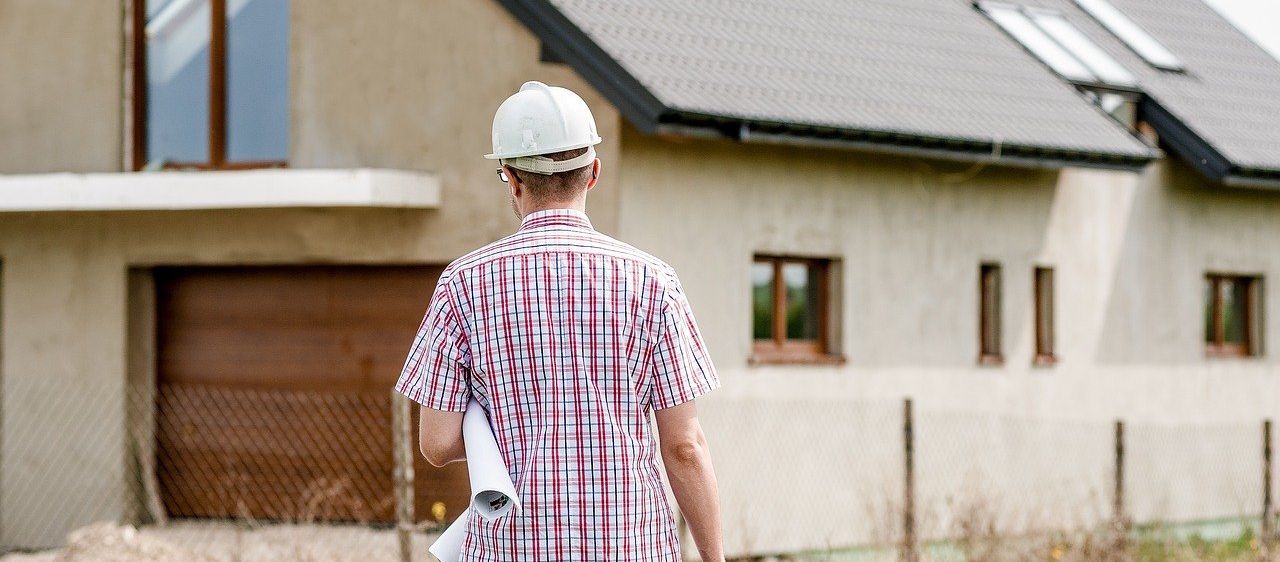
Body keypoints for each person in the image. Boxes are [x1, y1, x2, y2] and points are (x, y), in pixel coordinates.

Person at [395, 81, 723, 562]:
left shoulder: (462, 284)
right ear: (593, 172)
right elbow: (685, 447)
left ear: (511, 178)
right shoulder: (653, 281)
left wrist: (510, 427)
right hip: (631, 547)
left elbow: (437, 443)